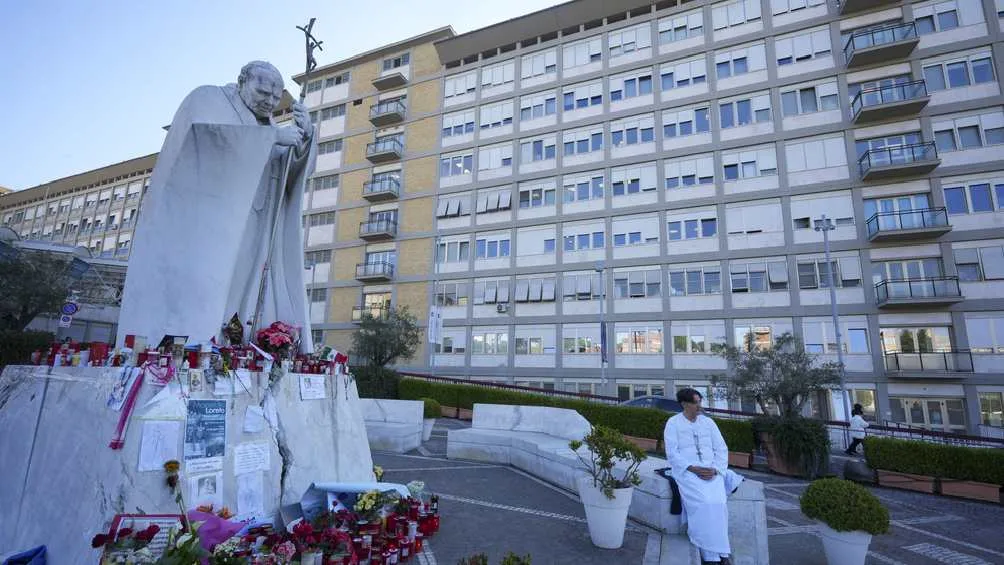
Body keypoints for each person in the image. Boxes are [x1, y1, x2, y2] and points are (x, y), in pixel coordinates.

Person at [117, 61, 315, 352]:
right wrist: (272, 138)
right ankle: (196, 344)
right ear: (241, 82)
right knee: (213, 289)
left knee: (246, 290)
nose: (269, 102)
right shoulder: (209, 99)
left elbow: (289, 174)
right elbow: (204, 142)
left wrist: (304, 139)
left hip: (258, 223)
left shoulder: (269, 124)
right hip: (213, 227)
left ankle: (240, 347)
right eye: (262, 92)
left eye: (275, 98)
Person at [664, 388, 734, 565]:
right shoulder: (673, 423)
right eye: (696, 403)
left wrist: (716, 469)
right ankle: (711, 555)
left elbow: (721, 448)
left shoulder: (708, 423)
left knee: (718, 503)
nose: (699, 406)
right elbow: (672, 453)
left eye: (700, 402)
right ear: (684, 404)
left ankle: (721, 552)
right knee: (704, 503)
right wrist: (692, 468)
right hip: (688, 473)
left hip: (712, 472)